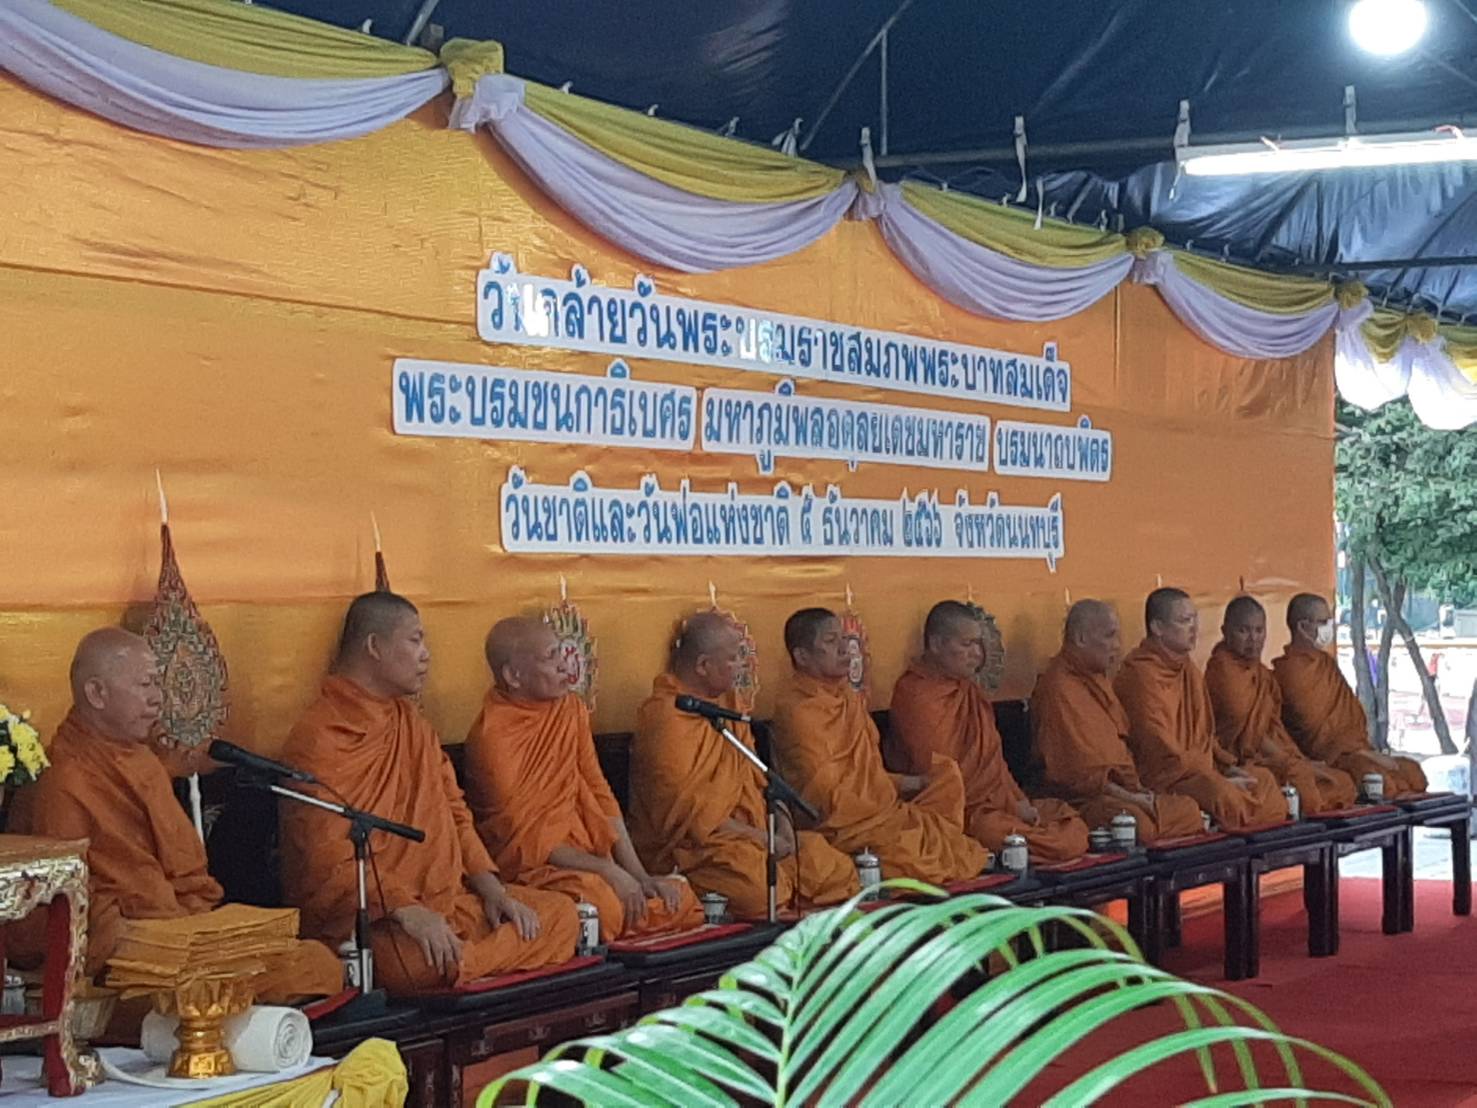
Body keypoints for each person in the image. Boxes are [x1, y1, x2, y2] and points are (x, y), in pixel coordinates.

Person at [7, 628, 341, 1001]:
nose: (157, 698)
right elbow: (69, 900)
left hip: (182, 932)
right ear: (97, 693)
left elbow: (188, 873)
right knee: (202, 990)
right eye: (145, 685)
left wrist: (198, 931)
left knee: (316, 961)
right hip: (126, 954)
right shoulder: (64, 778)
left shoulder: (143, 762)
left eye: (158, 684)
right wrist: (158, 937)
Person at [278, 593, 577, 996]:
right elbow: (326, 861)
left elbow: (455, 812)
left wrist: (493, 891)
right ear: (374, 646)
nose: (426, 655)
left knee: (561, 915)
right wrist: (406, 909)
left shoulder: (413, 725)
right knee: (408, 964)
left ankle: (462, 963)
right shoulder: (320, 737)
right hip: (380, 921)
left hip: (448, 904)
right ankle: (468, 962)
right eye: (415, 640)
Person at [463, 617, 701, 943]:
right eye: (550, 657)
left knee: (680, 898)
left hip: (589, 860)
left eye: (562, 652)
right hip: (535, 871)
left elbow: (599, 791)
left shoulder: (570, 710)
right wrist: (608, 871)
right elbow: (529, 841)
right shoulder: (493, 738)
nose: (565, 665)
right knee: (606, 906)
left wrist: (638, 874)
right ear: (513, 676)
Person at [629, 611, 859, 918]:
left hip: (755, 839)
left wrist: (783, 827)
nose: (742, 665)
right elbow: (695, 821)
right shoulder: (667, 720)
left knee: (836, 869)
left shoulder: (728, 704)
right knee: (759, 889)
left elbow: (759, 777)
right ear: (703, 666)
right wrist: (765, 840)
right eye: (734, 658)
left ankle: (788, 893)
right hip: (697, 851)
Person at [770, 608, 990, 883]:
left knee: (946, 783)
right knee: (915, 853)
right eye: (830, 641)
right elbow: (824, 795)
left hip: (879, 811)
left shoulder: (847, 698)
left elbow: (869, 775)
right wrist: (884, 797)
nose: (844, 648)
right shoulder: (798, 710)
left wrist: (914, 783)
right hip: (842, 824)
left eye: (844, 639)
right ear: (802, 657)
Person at [888, 601, 1088, 863]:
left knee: (1069, 821)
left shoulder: (969, 692)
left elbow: (995, 764)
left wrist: (1017, 801)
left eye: (979, 644)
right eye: (966, 644)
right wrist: (1011, 807)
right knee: (992, 831)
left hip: (996, 806)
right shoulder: (915, 695)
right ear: (936, 644)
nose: (977, 654)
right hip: (953, 814)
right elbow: (944, 779)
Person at [1114, 588, 1288, 829]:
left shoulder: (1189, 670)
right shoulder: (1140, 675)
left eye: (1195, 619)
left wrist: (1226, 768)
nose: (1194, 628)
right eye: (1184, 621)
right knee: (1223, 796)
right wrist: (1212, 775)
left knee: (1264, 780)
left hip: (1201, 771)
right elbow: (1157, 746)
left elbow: (1206, 736)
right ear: (1157, 627)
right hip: (1168, 778)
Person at [1030, 601, 1204, 838]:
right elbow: (1078, 775)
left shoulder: (1099, 681)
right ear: (1081, 639)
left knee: (1189, 809)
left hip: (1122, 793)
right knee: (1139, 825)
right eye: (1109, 636)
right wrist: (1132, 798)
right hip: (1082, 800)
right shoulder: (1058, 688)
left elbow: (1121, 750)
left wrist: (1138, 792)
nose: (1117, 646)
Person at [1204, 597, 1357, 812]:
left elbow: (1274, 729)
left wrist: (1297, 759)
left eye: (1259, 631)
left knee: (1342, 783)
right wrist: (1290, 762)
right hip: (1237, 762)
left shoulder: (1263, 676)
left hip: (1269, 758)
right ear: (1225, 631)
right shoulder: (1223, 672)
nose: (1253, 639)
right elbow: (1253, 739)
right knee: (1296, 784)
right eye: (1243, 631)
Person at [1273, 593, 1427, 798]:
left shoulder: (1327, 664)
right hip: (1333, 760)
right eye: (1323, 622)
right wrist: (1362, 754)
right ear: (1302, 626)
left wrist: (1368, 752)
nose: (1330, 627)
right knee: (1380, 783)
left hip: (1358, 752)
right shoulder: (1289, 673)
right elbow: (1317, 736)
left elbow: (1350, 721)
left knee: (1414, 773)